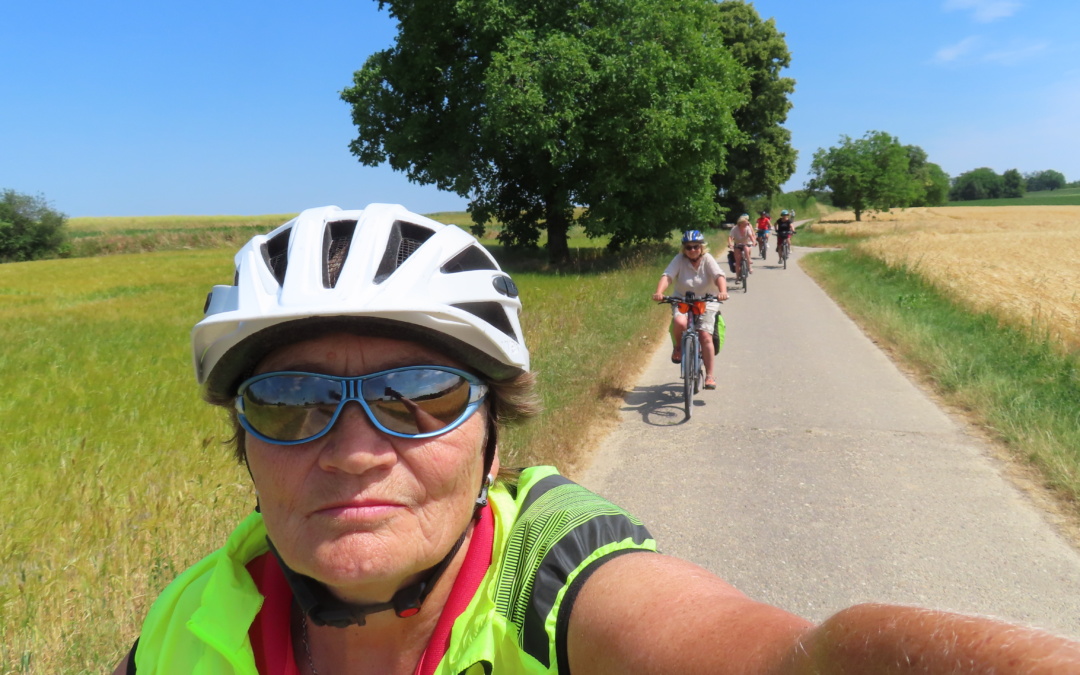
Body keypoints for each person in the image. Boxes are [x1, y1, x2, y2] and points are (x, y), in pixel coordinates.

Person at [115, 204, 1080, 675]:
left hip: (712, 308)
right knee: (677, 326)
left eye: (421, 394)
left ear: (495, 442)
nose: (356, 447)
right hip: (682, 305)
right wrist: (670, 298)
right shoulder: (184, 620)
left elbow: (786, 659)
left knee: (704, 326)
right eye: (289, 401)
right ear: (243, 441)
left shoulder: (552, 575)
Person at [651, 230, 729, 391]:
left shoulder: (707, 259)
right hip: (683, 299)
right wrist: (659, 292)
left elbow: (718, 275)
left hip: (707, 300)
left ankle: (709, 376)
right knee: (680, 321)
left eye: (695, 247)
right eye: (688, 247)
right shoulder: (679, 259)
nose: (692, 250)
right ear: (684, 249)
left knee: (705, 335)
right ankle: (679, 347)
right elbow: (668, 276)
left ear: (701, 247)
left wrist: (722, 291)